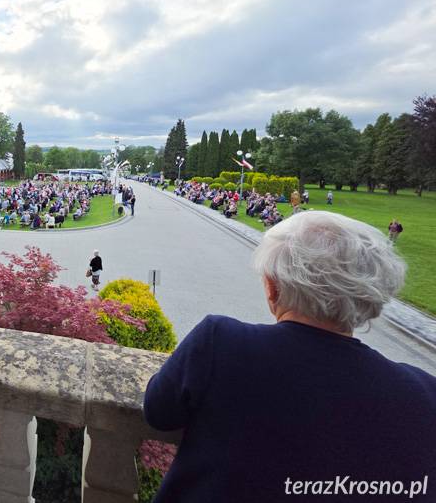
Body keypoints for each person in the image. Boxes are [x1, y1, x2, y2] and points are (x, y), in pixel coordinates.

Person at [143, 211, 436, 503]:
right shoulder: (424, 392)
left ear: (273, 287)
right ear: (371, 297)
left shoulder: (221, 342)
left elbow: (158, 411)